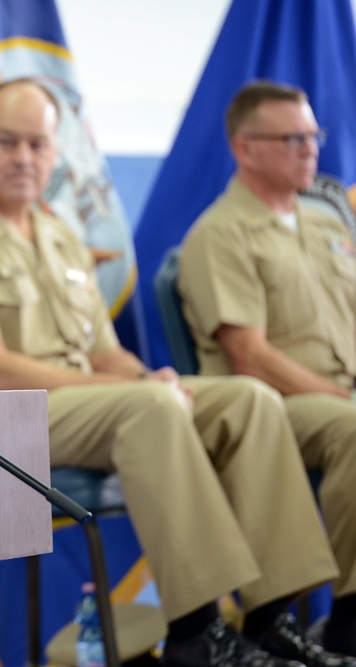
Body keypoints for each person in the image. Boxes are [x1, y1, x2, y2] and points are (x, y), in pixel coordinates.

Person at [0, 78, 350, 667]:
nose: (24, 158)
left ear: (57, 152)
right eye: (7, 142)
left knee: (249, 399)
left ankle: (268, 620)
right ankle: (196, 632)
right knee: (150, 408)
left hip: (79, 406)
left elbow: (103, 352)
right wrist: (136, 391)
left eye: (38, 144)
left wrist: (154, 377)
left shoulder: (57, 233)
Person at [179, 80, 356, 657]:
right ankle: (352, 615)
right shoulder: (220, 233)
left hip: (336, 391)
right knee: (352, 427)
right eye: (291, 139)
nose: (310, 150)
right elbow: (249, 354)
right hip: (275, 404)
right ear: (245, 148)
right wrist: (340, 394)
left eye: (313, 136)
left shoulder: (327, 224)